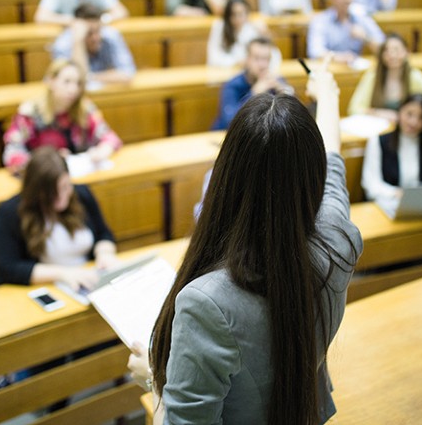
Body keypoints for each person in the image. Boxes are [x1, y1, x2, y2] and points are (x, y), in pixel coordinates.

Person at [127, 66, 363, 424]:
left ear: (227, 173)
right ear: (310, 177)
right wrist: (328, 95)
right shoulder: (338, 239)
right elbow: (333, 161)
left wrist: (155, 381)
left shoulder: (207, 304)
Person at [0, 146, 119, 290]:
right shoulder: (9, 213)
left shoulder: (81, 194)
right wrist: (63, 274)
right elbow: (8, 267)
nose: (61, 198)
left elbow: (104, 234)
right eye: (52, 194)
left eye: (65, 187)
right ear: (36, 192)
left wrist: (104, 253)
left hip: (86, 279)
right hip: (44, 286)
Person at [2, 59, 122, 174]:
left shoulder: (84, 109)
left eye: (78, 83)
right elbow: (12, 153)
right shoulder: (30, 112)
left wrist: (102, 151)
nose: (73, 89)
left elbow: (110, 137)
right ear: (51, 81)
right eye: (67, 82)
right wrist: (49, 162)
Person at [361, 94, 422, 211]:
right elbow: (371, 184)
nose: (414, 122)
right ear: (400, 112)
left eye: (421, 117)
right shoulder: (378, 141)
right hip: (388, 205)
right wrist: (396, 193)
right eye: (409, 114)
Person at [349, 33, 422, 120]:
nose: (392, 55)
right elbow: (354, 109)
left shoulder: (414, 76)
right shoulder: (372, 76)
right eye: (387, 50)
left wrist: (407, 118)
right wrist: (377, 113)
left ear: (406, 52)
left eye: (396, 50)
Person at [212, 37, 293, 130]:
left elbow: (294, 116)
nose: (262, 65)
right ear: (247, 59)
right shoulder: (232, 85)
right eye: (257, 58)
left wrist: (283, 91)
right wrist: (254, 93)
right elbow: (229, 121)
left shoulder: (276, 82)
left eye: (266, 59)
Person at [51, 2, 136, 84]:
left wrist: (91, 77)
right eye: (89, 33)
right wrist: (78, 42)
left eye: (98, 31)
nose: (95, 38)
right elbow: (76, 82)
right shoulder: (62, 45)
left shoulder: (111, 36)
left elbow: (128, 74)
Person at [307, 0, 386, 63]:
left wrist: (366, 38)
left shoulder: (361, 17)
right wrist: (338, 57)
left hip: (355, 69)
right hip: (330, 68)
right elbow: (314, 52)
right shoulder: (320, 20)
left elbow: (384, 47)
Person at [206, 0, 279, 68]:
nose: (237, 19)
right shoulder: (219, 27)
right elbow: (213, 58)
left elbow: (274, 55)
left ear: (247, 14)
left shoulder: (253, 28)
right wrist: (236, 63)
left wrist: (265, 34)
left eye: (241, 14)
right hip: (224, 73)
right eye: (233, 14)